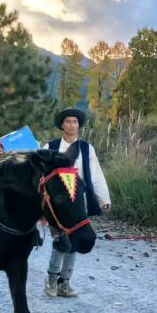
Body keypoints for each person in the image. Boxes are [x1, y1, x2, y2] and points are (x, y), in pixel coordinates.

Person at [43, 107, 111, 298]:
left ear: (79, 125)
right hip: (57, 203)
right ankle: (51, 279)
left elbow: (96, 174)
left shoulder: (86, 149)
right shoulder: (51, 147)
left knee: (74, 239)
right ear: (62, 125)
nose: (72, 125)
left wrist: (103, 198)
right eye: (68, 122)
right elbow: (41, 177)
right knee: (60, 240)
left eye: (75, 122)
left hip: (78, 201)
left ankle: (65, 282)